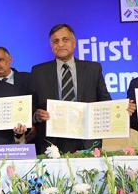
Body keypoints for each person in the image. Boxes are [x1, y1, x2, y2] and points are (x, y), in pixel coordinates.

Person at [29, 24, 113, 154]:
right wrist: (36, 116)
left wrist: (121, 109)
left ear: (74, 43)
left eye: (65, 39)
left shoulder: (93, 69)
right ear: (51, 46)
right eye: (56, 41)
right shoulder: (38, 71)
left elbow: (105, 101)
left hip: (87, 141)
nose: (61, 44)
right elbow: (31, 106)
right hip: (52, 143)